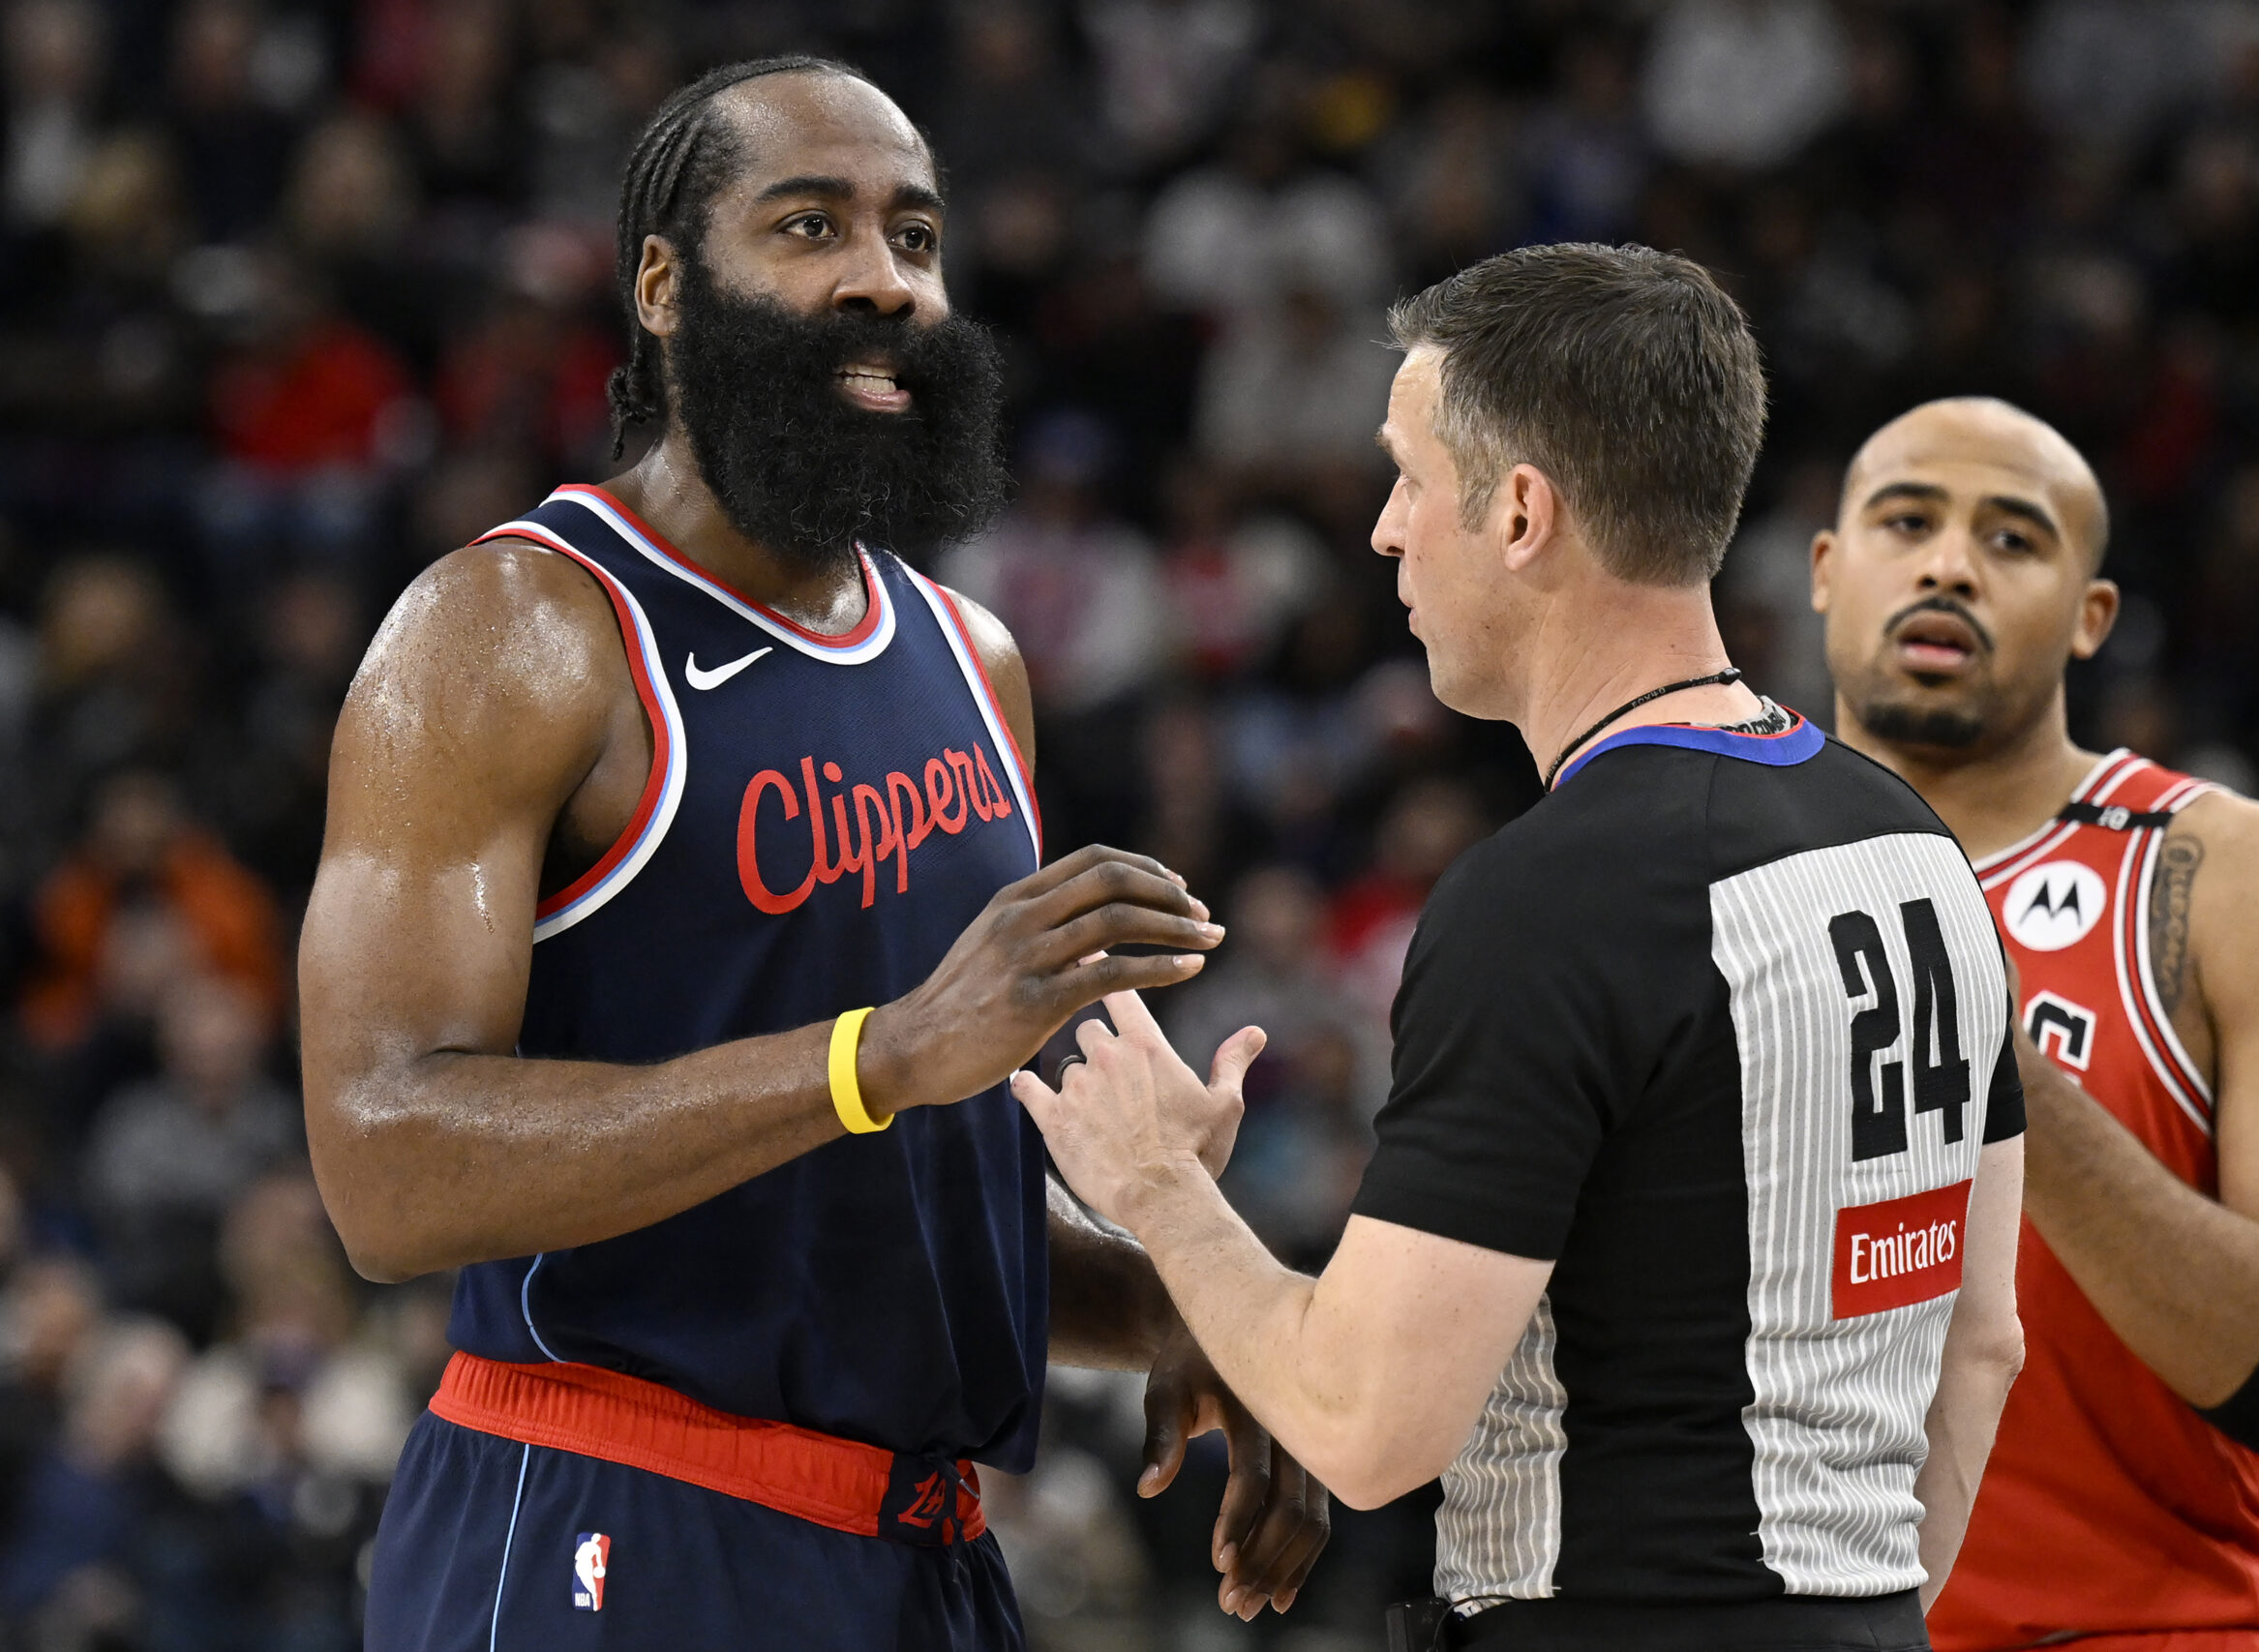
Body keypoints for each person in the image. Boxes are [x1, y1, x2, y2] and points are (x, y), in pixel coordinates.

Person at [296, 57, 1327, 1651]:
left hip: (919, 1555)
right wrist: (884, 1052)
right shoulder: (516, 630)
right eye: (807, 225)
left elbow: (886, 1201)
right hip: (601, 1520)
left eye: (915, 238)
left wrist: (1181, 1301)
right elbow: (383, 1164)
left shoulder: (975, 660)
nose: (881, 279)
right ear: (662, 286)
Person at [1016, 243, 2030, 1651]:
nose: (1383, 530)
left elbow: (1371, 1431)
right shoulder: (1916, 846)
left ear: (1521, 517)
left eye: (1410, 479)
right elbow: (1982, 1345)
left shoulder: (1557, 898)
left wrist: (1157, 1190)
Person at [1808, 397, 2259, 1652]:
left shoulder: (2255, 879)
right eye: (1907, 519)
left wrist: (1993, 1058)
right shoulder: (1684, 876)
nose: (1948, 563)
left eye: (2014, 539)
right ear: (1826, 572)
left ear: (2092, 617)